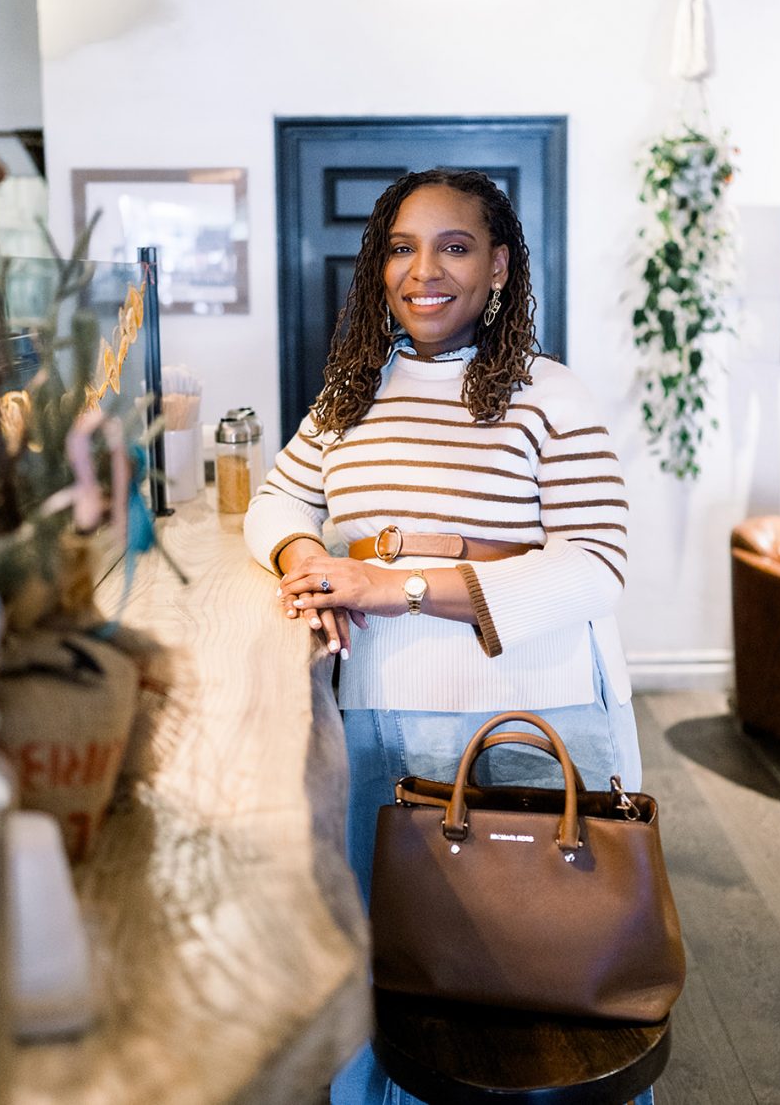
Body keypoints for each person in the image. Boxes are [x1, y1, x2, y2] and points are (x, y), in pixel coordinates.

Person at [244, 169, 653, 1105]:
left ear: (500, 266)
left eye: (455, 247)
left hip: (519, 724)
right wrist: (307, 553)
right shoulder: (353, 391)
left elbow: (597, 563)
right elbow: (275, 497)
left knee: (531, 977)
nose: (423, 271)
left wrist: (401, 584)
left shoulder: (551, 395)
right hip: (376, 724)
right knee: (396, 975)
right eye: (401, 246)